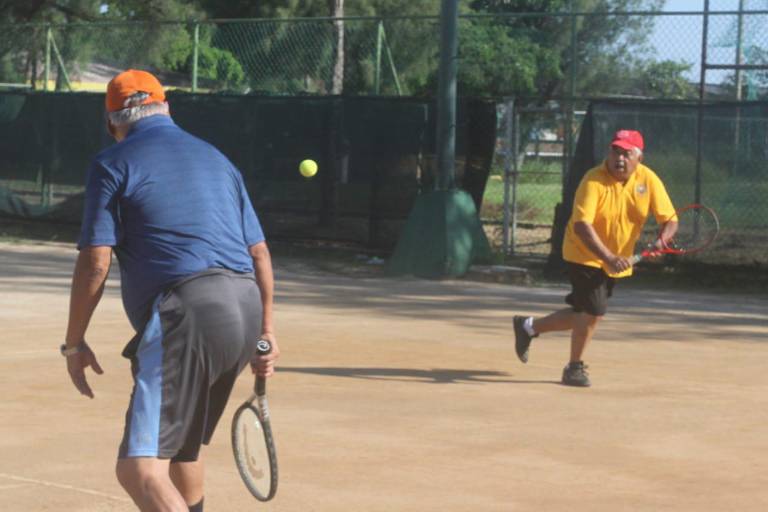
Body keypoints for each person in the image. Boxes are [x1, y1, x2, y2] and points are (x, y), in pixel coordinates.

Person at [61, 69, 278, 512]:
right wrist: (265, 334)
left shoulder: (112, 162)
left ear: (111, 124)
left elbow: (95, 261)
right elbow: (259, 254)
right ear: (167, 108)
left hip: (187, 313)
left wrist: (74, 342)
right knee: (183, 448)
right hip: (245, 308)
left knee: (139, 470)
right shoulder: (218, 159)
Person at [513, 129, 677, 387]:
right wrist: (609, 257)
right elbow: (582, 226)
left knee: (586, 312)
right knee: (593, 310)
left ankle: (528, 327)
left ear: (639, 158)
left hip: (616, 257)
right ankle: (574, 368)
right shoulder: (593, 180)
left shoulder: (649, 180)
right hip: (583, 252)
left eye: (627, 153)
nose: (619, 158)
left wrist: (663, 239)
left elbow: (670, 219)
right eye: (615, 151)